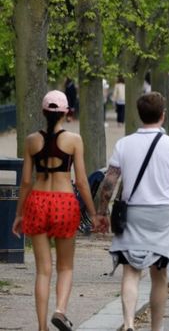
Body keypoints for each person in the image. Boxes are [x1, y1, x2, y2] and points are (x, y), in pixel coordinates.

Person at [94, 92, 169, 331]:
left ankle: (129, 323)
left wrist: (101, 213)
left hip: (133, 214)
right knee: (159, 275)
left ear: (139, 115)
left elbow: (108, 183)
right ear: (163, 115)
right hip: (162, 215)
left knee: (130, 270)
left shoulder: (124, 144)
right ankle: (156, 328)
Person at [11, 91, 98, 331]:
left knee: (43, 270)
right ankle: (59, 311)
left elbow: (26, 181)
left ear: (43, 112)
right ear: (66, 113)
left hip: (38, 202)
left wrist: (19, 214)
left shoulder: (31, 141)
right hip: (64, 203)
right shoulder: (74, 140)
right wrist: (93, 213)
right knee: (66, 266)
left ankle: (41, 327)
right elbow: (81, 181)